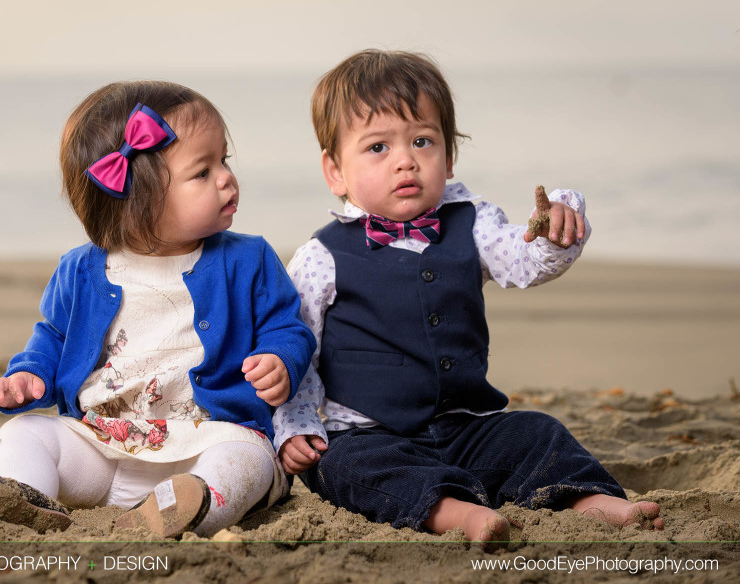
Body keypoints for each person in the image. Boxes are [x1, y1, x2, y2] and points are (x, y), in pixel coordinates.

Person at [273, 50, 663, 549]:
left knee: (537, 432)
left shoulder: (473, 222)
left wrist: (553, 232)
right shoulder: (319, 255)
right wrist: (296, 421)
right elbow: (298, 346)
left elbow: (524, 262)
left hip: (466, 428)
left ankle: (589, 501)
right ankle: (459, 514)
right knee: (344, 469)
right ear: (336, 171)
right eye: (377, 147)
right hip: (370, 432)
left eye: (422, 140)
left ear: (448, 154)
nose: (405, 159)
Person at [0, 80, 316, 538]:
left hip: (207, 438)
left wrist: (281, 359)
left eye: (223, 160)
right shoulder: (81, 269)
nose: (226, 178)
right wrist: (30, 374)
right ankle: (25, 501)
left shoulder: (248, 260)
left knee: (246, 463)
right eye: (201, 172)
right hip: (103, 442)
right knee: (24, 434)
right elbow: (53, 336)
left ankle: (179, 508)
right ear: (138, 201)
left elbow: (288, 326)